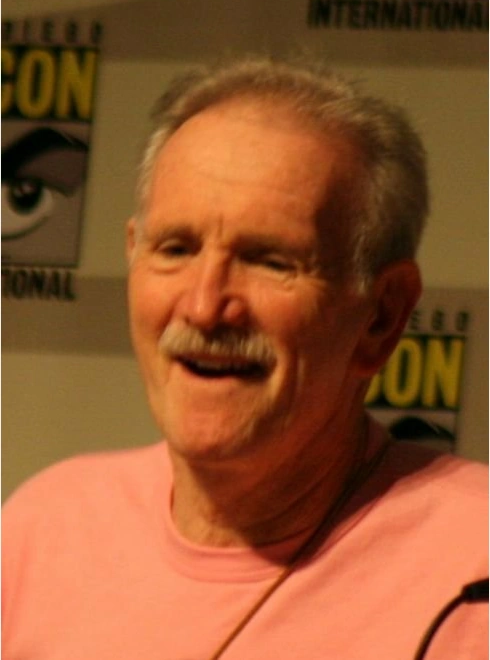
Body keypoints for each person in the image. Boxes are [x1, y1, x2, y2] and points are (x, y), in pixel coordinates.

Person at [2, 55, 487, 660]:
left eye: (269, 260)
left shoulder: (473, 570)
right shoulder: (45, 527)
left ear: (381, 315)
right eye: (176, 249)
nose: (205, 307)